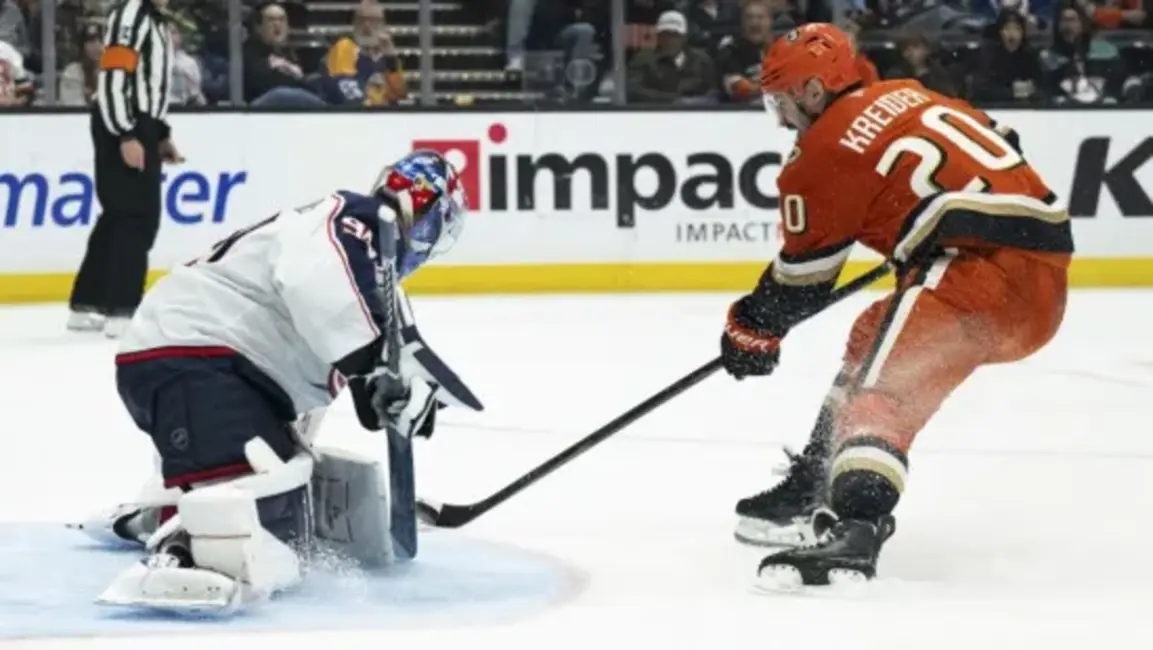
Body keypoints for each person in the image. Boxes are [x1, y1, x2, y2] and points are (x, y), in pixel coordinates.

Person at [721, 23, 1072, 589]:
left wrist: (751, 329)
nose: (783, 119)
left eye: (783, 103)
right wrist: (930, 221)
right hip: (1043, 274)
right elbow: (1004, 138)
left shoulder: (821, 152)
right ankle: (815, 479)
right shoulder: (908, 91)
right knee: (872, 337)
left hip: (976, 275)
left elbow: (803, 280)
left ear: (813, 91)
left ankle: (856, 528)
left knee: (885, 392)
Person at [72, 150, 480, 615]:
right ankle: (178, 542)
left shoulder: (377, 271)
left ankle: (154, 514)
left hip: (223, 371)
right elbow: (313, 284)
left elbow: (378, 381)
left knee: (286, 509)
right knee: (252, 527)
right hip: (192, 357)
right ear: (427, 218)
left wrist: (402, 391)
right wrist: (385, 370)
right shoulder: (350, 220)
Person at [68, 0, 181, 339]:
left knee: (119, 214)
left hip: (138, 122)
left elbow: (152, 83)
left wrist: (159, 133)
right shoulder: (132, 14)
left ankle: (88, 302)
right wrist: (126, 132)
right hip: (124, 121)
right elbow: (116, 74)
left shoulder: (154, 19)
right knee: (137, 216)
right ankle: (122, 307)